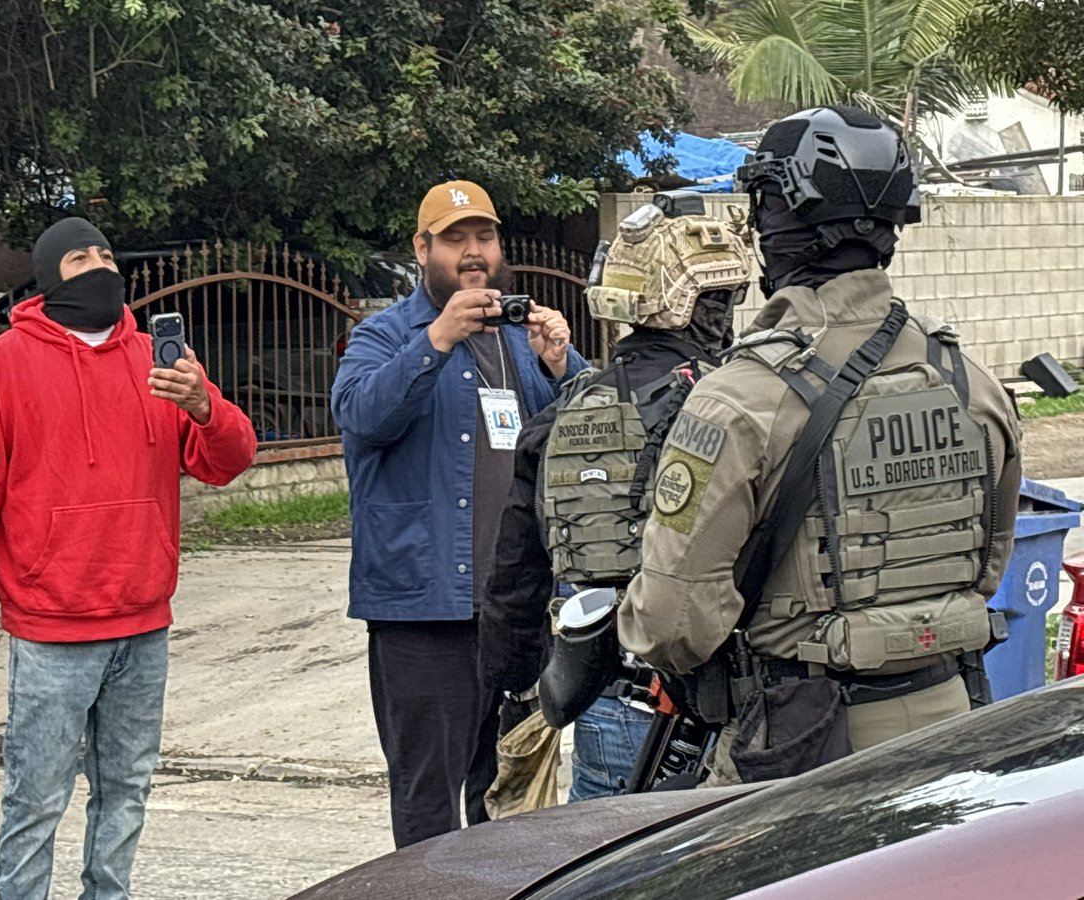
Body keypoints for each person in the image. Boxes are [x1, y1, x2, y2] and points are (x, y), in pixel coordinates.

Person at [618, 106, 1022, 786]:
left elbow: (672, 623)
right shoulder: (971, 383)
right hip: (958, 732)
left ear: (782, 217)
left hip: (803, 748)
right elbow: (986, 564)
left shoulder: (739, 397)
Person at [0, 217, 257, 898]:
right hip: (52, 629)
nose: (100, 265)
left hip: (144, 625)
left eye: (106, 253)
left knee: (126, 793)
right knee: (35, 800)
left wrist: (204, 405)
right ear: (51, 277)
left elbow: (229, 461)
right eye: (80, 257)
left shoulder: (159, 360)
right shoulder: (0, 366)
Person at [330, 180, 588, 848]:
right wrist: (436, 340)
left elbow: (585, 430)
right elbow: (362, 415)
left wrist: (562, 365)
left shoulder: (516, 343)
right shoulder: (381, 336)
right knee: (427, 800)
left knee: (512, 795)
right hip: (422, 615)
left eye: (484, 237)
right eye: (454, 240)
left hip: (513, 613)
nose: (473, 254)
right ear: (422, 250)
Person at [479, 207, 752, 800]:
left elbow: (514, 581)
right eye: (724, 300)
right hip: (717, 701)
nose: (730, 317)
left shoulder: (566, 410)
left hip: (601, 699)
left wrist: (516, 693)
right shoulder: (729, 407)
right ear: (699, 308)